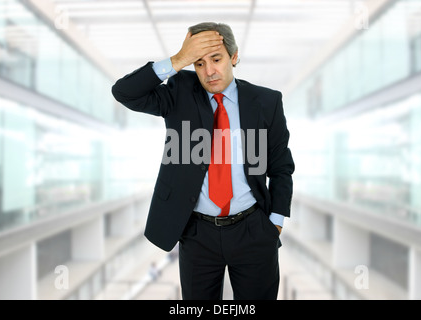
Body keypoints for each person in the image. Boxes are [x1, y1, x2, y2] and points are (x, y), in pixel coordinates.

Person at [112, 22, 294, 300]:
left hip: (254, 229)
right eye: (198, 63)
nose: (209, 71)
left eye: (217, 59)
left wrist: (275, 223)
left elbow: (281, 166)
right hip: (197, 233)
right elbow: (125, 92)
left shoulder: (266, 101)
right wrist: (178, 60)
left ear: (234, 57)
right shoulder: (179, 93)